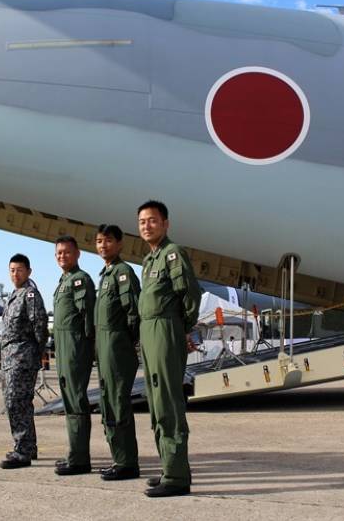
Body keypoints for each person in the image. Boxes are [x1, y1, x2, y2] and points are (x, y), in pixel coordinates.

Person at [137, 200, 201, 498]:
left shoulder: (173, 254)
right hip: (149, 331)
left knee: (169, 402)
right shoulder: (150, 259)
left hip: (165, 329)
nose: (146, 226)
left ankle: (177, 477)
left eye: (152, 220)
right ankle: (167, 467)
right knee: (156, 402)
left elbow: (189, 294)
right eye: (142, 222)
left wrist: (181, 327)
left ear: (165, 224)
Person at [94, 224, 142, 481]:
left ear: (120, 244)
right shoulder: (106, 275)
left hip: (118, 350)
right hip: (105, 351)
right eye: (99, 241)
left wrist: (126, 343)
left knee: (118, 405)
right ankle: (118, 459)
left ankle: (127, 463)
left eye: (108, 241)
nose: (103, 245)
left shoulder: (123, 273)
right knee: (109, 405)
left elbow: (133, 313)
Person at [0, 253, 49, 470]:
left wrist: (36, 354)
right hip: (10, 357)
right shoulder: (13, 295)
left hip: (23, 357)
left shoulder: (30, 295)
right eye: (11, 270)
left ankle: (23, 451)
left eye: (19, 270)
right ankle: (27, 446)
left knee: (16, 401)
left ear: (28, 271)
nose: (15, 274)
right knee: (17, 403)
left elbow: (40, 326)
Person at [52, 235, 96, 475]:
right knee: (70, 402)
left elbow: (89, 319)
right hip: (64, 348)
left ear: (77, 253)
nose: (62, 256)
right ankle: (75, 453)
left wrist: (86, 350)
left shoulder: (80, 281)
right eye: (59, 253)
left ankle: (80, 459)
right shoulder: (64, 281)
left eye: (67, 252)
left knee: (76, 401)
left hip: (75, 349)